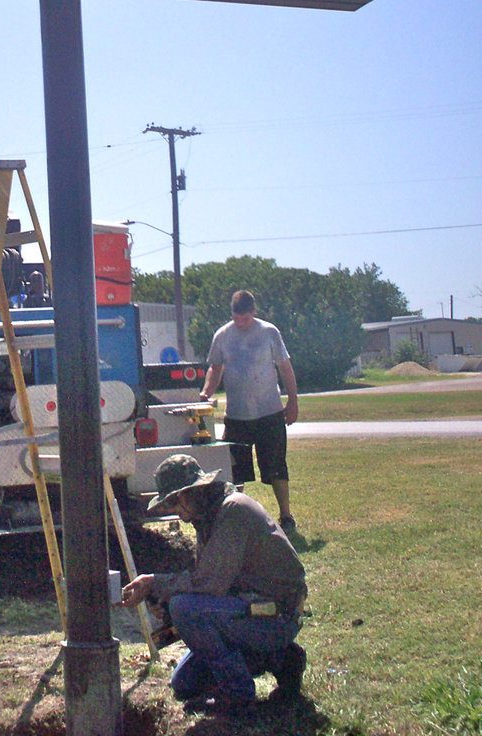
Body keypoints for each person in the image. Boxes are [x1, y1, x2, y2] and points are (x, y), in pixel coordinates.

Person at [121, 453, 307, 714]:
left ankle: (237, 693)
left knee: (186, 608)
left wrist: (155, 584)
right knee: (185, 683)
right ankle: (282, 659)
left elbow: (209, 585)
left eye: (176, 500)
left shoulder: (234, 510)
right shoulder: (208, 518)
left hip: (277, 616)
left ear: (195, 490)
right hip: (253, 612)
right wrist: (165, 602)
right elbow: (211, 583)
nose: (177, 511)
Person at [200, 289, 299, 530]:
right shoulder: (223, 335)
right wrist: (206, 393)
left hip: (270, 413)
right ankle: (232, 517)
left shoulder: (269, 332)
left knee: (276, 466)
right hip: (237, 416)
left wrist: (293, 401)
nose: (240, 323)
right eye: (236, 318)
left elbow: (285, 367)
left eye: (244, 318)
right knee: (236, 472)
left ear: (253, 312)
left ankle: (286, 516)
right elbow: (215, 368)